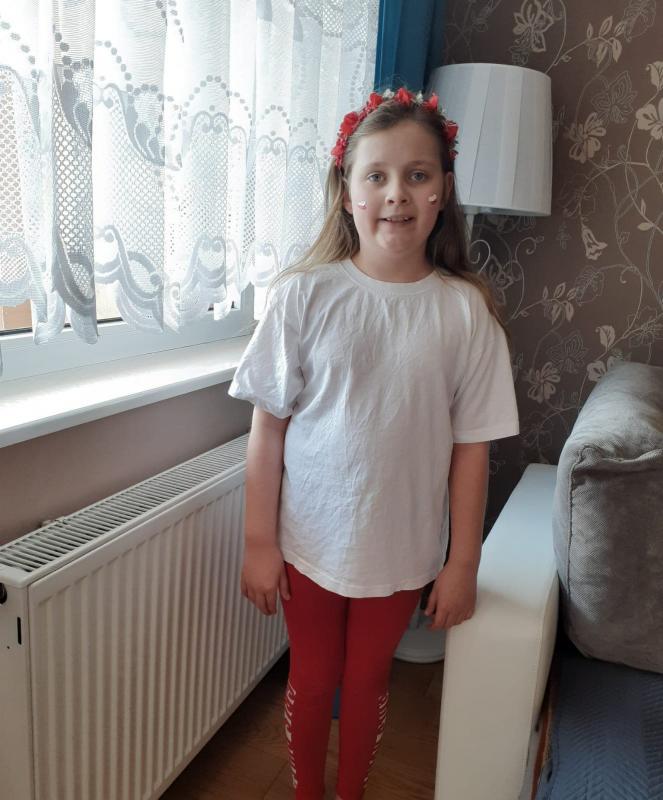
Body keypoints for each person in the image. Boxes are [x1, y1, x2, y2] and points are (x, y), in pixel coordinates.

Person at [228, 86, 519, 800]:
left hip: (402, 548)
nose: (397, 194)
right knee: (311, 677)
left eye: (417, 175)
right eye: (378, 175)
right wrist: (258, 541)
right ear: (347, 189)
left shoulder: (465, 314)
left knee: (366, 681)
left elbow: (472, 449)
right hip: (308, 541)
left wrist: (462, 562)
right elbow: (268, 427)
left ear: (443, 189)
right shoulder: (303, 296)